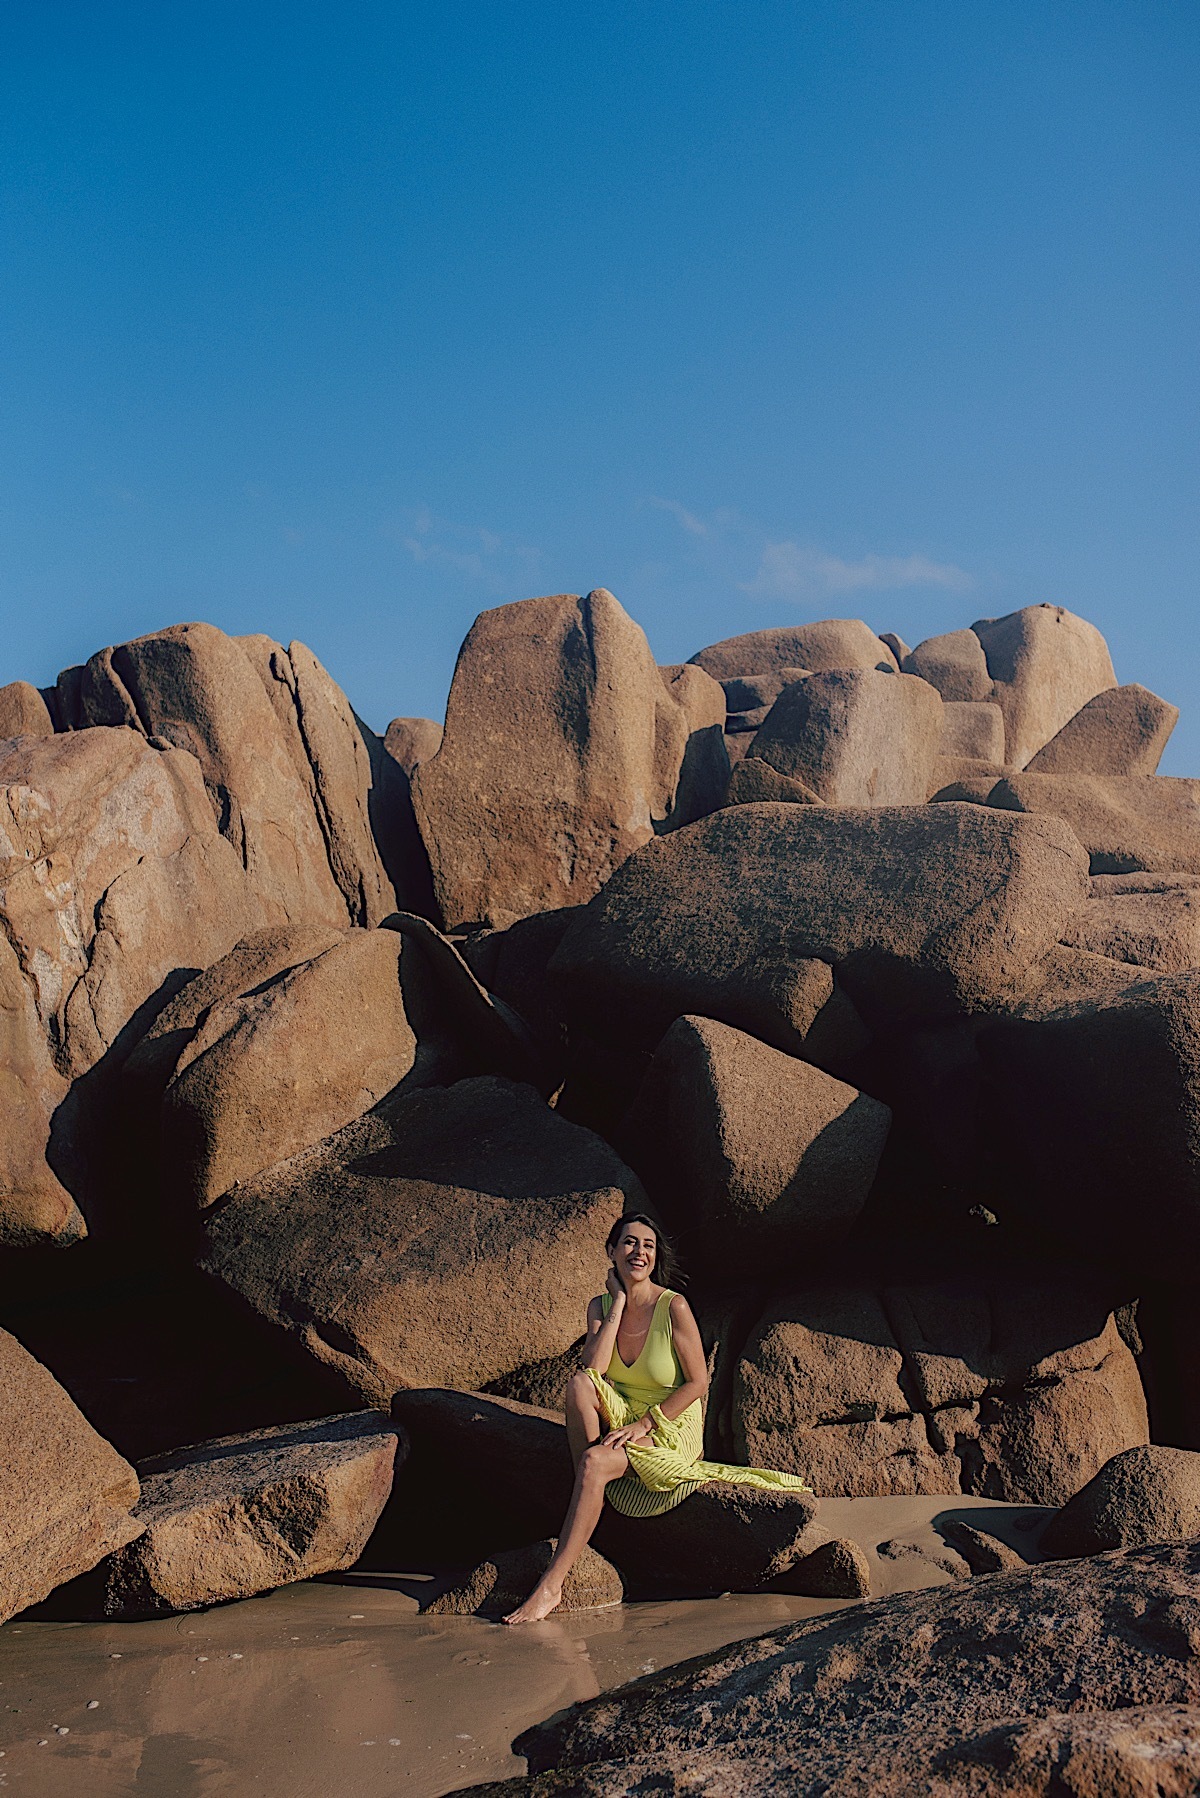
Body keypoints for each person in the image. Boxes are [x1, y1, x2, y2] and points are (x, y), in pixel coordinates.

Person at [503, 1210, 810, 1624]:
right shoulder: (600, 1305)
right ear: (612, 1251)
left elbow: (698, 1383)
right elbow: (594, 1368)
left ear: (655, 1256)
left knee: (595, 1461)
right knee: (579, 1385)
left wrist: (646, 1423)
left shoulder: (673, 1306)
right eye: (629, 1242)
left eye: (647, 1245)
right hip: (624, 1409)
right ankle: (592, 1492)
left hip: (670, 1421)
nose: (639, 1251)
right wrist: (619, 1305)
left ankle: (552, 1584)